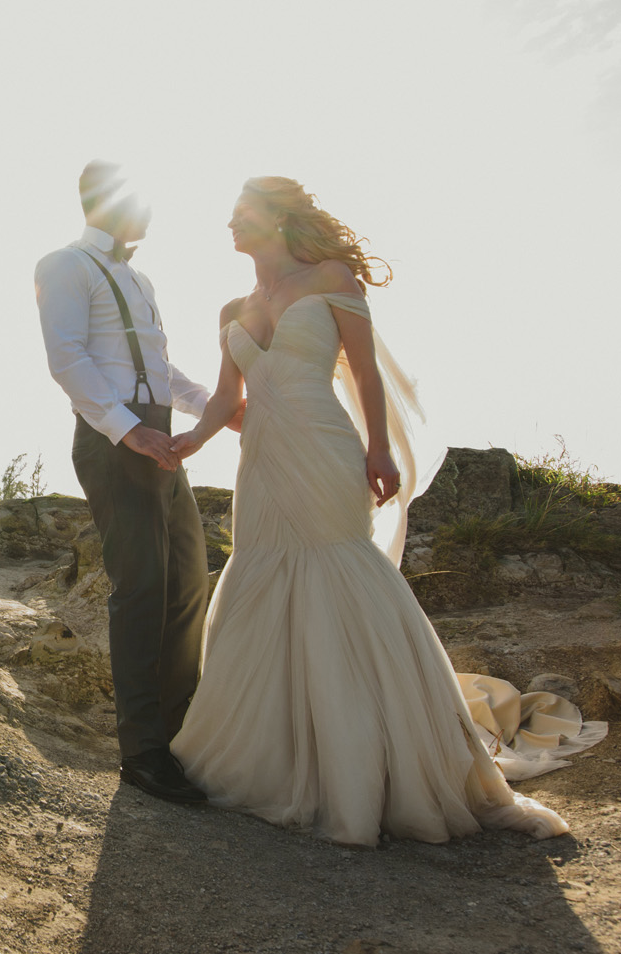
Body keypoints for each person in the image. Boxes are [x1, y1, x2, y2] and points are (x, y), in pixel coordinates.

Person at [167, 176, 568, 845]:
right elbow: (222, 399)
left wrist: (380, 449)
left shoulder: (330, 275)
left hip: (325, 449)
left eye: (242, 213)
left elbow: (365, 371)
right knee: (263, 579)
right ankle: (282, 763)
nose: (229, 224)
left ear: (278, 217)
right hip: (262, 464)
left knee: (340, 573)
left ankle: (376, 768)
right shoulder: (230, 308)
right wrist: (187, 442)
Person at [34, 160, 233, 804]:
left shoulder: (140, 277)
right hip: (112, 439)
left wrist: (222, 411)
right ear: (103, 202)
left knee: (187, 578)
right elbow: (67, 358)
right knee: (142, 585)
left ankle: (179, 732)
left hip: (160, 436)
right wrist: (127, 431)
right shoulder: (62, 265)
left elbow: (162, 369)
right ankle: (143, 752)